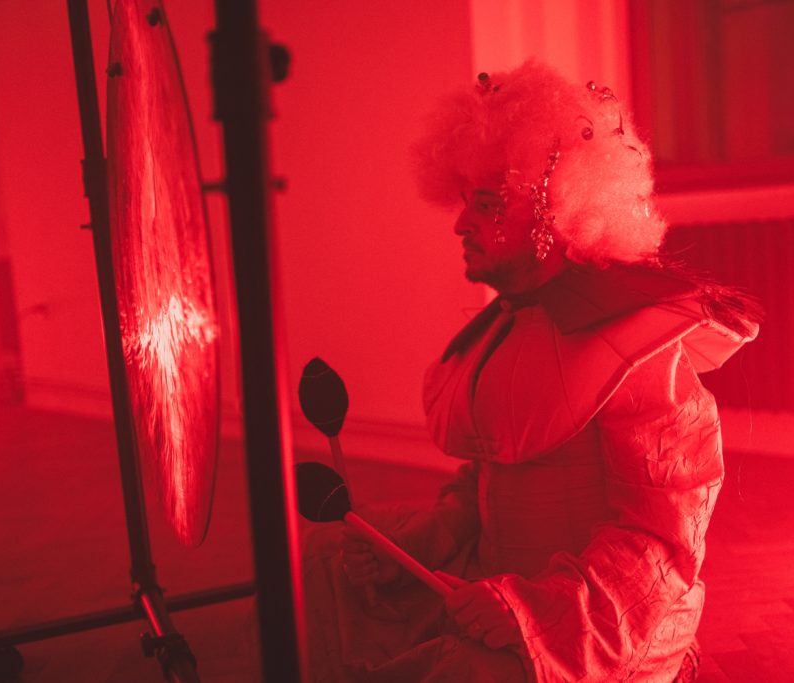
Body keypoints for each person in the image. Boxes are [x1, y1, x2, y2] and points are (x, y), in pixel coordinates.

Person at [301, 60, 759, 682]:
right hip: (497, 588)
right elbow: (489, 475)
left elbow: (659, 542)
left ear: (556, 213)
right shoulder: (507, 328)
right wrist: (424, 540)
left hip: (598, 620)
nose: (460, 223)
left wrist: (531, 611)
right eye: (465, 202)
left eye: (487, 205)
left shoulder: (639, 351)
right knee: (325, 573)